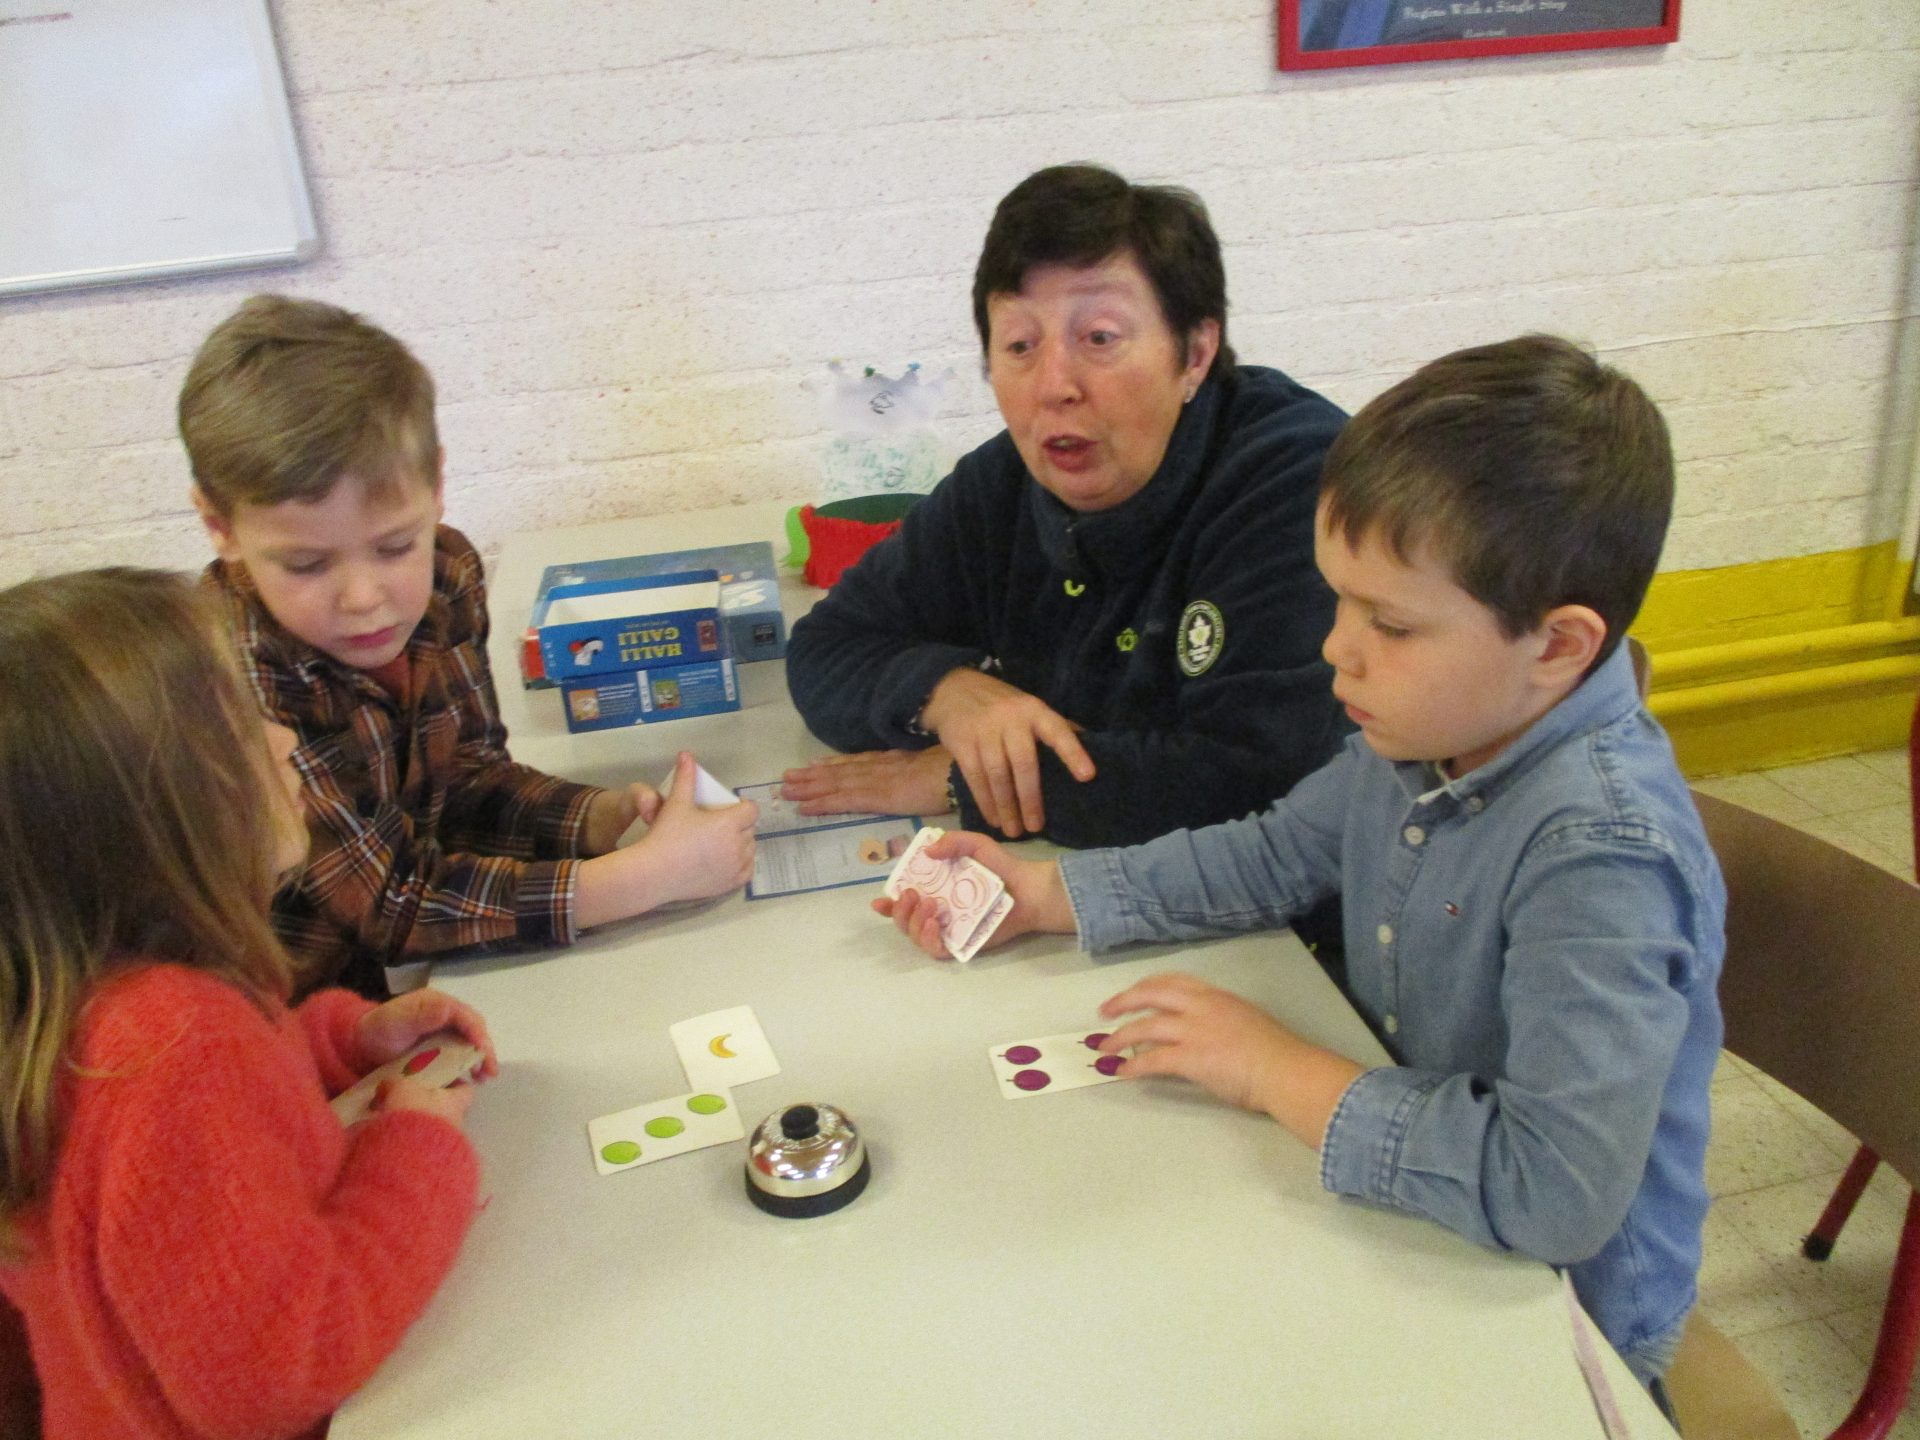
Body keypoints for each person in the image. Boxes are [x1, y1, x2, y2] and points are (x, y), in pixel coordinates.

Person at [878, 335, 1724, 1409]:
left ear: (1557, 646)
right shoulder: (1434, 724)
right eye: (1339, 602)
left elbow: (1549, 1191)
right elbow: (1276, 850)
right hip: (1412, 1212)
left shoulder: (1602, 858)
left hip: (1560, 1327)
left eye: (1391, 624)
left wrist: (1275, 1070)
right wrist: (1048, 896)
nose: (1337, 650)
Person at [0, 568, 498, 1440]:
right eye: (240, 729)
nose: (282, 741)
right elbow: (282, 1367)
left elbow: (214, 1131)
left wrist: (348, 1041)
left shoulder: (93, 999)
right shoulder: (172, 1045)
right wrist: (416, 1145)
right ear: (156, 817)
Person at [181, 295, 758, 999]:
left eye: (395, 546)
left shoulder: (447, 575)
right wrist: (640, 878)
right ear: (221, 527)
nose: (364, 598)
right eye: (306, 565)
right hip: (274, 1012)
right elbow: (388, 905)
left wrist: (600, 821)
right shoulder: (231, 674)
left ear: (437, 485)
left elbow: (464, 782)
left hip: (366, 1005)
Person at [782, 163, 1349, 849]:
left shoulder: (1295, 479)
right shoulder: (1004, 483)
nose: (1054, 386)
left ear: (1196, 353)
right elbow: (825, 647)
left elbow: (1258, 778)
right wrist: (949, 694)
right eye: (1020, 345)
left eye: (1099, 338)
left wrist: (972, 779)